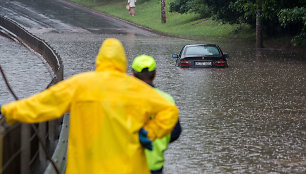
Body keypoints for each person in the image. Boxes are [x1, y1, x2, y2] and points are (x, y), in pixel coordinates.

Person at [0, 38, 179, 174]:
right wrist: (151, 132)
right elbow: (169, 111)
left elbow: (42, 104)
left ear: (99, 60)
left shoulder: (80, 84)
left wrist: (8, 111)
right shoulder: (137, 89)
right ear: (123, 63)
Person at [131, 55, 182, 174]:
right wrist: (159, 141)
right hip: (154, 165)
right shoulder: (166, 99)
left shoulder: (122, 98)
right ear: (155, 74)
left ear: (133, 74)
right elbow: (175, 132)